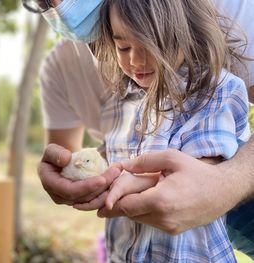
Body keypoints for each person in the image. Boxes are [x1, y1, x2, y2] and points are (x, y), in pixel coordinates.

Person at [23, 0, 254, 258]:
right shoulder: (124, 98)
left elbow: (206, 168)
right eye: (123, 47)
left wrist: (135, 181)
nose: (134, 59)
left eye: (148, 46)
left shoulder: (214, 90)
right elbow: (116, 152)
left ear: (182, 32)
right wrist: (78, 170)